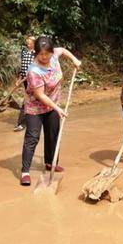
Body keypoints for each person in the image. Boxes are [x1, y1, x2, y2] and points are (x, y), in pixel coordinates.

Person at [20, 36, 81, 186]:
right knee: (32, 137)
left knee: (53, 134)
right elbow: (40, 95)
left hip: (53, 104)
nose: (44, 57)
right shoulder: (34, 71)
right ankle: (25, 171)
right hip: (35, 106)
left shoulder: (54, 55)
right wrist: (57, 108)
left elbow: (63, 50)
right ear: (36, 53)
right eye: (41, 54)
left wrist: (74, 60)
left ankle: (50, 162)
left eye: (47, 54)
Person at [14, 35, 36, 132]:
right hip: (25, 80)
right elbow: (22, 67)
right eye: (27, 42)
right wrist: (19, 79)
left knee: (28, 100)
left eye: (30, 42)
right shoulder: (24, 52)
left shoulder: (37, 54)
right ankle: (26, 122)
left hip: (34, 80)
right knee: (31, 100)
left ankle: (22, 123)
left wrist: (31, 75)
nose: (28, 43)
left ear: (34, 43)